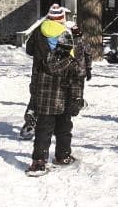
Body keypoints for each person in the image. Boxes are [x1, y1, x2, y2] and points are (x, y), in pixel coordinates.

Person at [26, 31, 85, 176]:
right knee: (63, 131)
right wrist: (77, 100)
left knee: (43, 133)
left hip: (46, 103)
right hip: (62, 103)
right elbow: (76, 82)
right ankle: (61, 156)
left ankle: (40, 161)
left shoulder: (45, 59)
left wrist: (33, 100)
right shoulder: (71, 63)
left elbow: (37, 81)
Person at [21, 4, 70, 139]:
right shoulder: (64, 32)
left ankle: (30, 119)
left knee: (36, 96)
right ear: (61, 18)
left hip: (38, 71)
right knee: (55, 98)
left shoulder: (38, 30)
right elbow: (70, 54)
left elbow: (29, 50)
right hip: (58, 73)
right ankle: (54, 126)